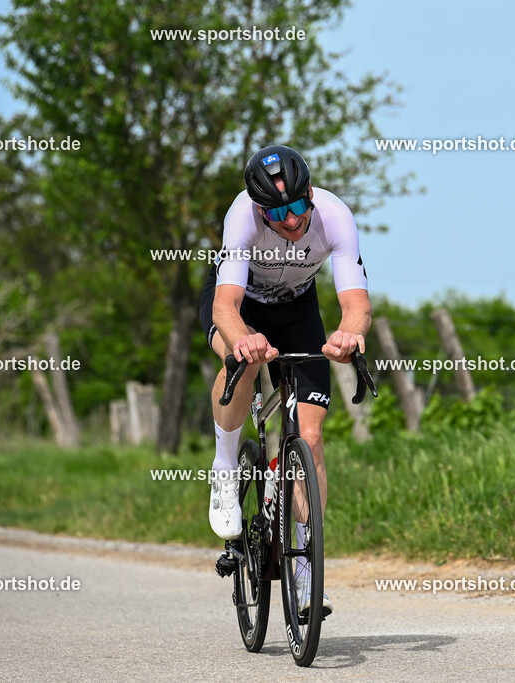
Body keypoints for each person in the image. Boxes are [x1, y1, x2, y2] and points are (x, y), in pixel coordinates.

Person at [199, 145, 371, 617]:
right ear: (259, 209)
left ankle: (306, 567)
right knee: (243, 362)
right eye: (278, 212)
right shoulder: (242, 220)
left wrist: (348, 336)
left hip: (298, 310)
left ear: (310, 194)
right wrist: (243, 341)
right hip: (243, 305)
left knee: (310, 440)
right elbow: (224, 308)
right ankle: (226, 466)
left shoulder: (335, 216)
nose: (291, 219)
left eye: (298, 206)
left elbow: (356, 306)